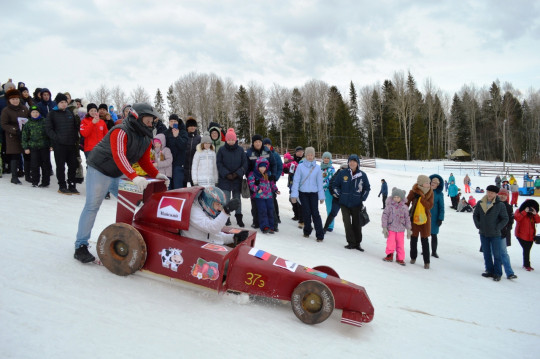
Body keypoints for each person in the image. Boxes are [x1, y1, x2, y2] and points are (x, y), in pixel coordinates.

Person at [73, 103, 170, 263]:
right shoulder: (120, 131)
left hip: (118, 173)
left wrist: (157, 174)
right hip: (100, 169)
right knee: (92, 206)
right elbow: (120, 156)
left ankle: (133, 238)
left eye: (152, 121)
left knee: (133, 202)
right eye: (148, 120)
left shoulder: (146, 137)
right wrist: (134, 177)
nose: (151, 123)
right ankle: (80, 246)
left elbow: (144, 161)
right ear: (137, 117)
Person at [181, 186, 247, 246]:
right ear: (208, 201)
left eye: (221, 205)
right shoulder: (193, 211)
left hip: (204, 245)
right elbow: (212, 228)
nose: (219, 208)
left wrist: (233, 237)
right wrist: (226, 211)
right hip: (193, 247)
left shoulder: (205, 211)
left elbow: (214, 235)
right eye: (218, 204)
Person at [332, 154, 371, 250]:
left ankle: (357, 243)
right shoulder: (343, 173)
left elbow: (367, 188)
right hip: (344, 203)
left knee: (357, 223)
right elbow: (335, 185)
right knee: (347, 223)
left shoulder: (362, 175)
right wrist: (339, 194)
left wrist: (363, 197)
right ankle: (350, 242)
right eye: (350, 161)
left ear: (358, 163)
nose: (352, 163)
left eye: (354, 161)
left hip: (356, 203)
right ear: (348, 162)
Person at [45, 93, 81, 194]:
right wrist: (57, 138)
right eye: (62, 102)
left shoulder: (69, 113)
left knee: (73, 165)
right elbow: (48, 129)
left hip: (71, 144)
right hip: (59, 145)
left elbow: (75, 127)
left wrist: (75, 138)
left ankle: (72, 185)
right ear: (57, 103)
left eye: (65, 102)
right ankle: (62, 186)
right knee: (60, 166)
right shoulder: (52, 113)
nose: (64, 104)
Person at [472, 185, 508, 281]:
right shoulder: (481, 203)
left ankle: (497, 273)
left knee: (497, 254)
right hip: (483, 233)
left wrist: (498, 227)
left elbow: (505, 218)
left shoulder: (500, 205)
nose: (489, 194)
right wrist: (478, 225)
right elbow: (475, 215)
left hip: (495, 234)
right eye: (488, 192)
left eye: (492, 193)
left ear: (496, 194)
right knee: (486, 253)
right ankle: (489, 270)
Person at [291, 146, 325, 242]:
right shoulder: (300, 167)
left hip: (314, 194)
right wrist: (294, 195)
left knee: (315, 213)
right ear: (305, 155)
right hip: (303, 193)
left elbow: (319, 183)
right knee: (306, 212)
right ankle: (307, 231)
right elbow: (296, 181)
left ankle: (320, 234)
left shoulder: (317, 168)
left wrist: (321, 196)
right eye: (308, 155)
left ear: (314, 156)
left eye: (312, 155)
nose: (310, 157)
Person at [216, 128, 248, 227]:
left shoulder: (240, 150)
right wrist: (226, 174)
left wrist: (237, 173)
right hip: (225, 179)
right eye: (229, 140)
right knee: (225, 199)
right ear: (226, 140)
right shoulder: (221, 150)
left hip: (236, 179)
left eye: (232, 140)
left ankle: (239, 217)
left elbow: (245, 164)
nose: (230, 141)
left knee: (237, 199)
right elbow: (219, 163)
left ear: (235, 140)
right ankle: (226, 217)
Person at [245, 134, 276, 229]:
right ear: (253, 143)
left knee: (271, 204)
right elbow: (247, 167)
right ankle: (257, 222)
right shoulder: (249, 153)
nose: (258, 143)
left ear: (261, 142)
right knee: (255, 203)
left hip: (267, 179)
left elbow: (274, 164)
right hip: (255, 181)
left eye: (259, 141)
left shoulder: (267, 151)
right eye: (256, 142)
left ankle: (273, 224)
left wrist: (273, 176)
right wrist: (252, 180)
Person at [406, 175, 434, 269]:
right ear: (421, 183)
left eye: (429, 183)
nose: (429, 184)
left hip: (425, 220)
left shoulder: (430, 192)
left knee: (425, 240)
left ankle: (427, 262)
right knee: (414, 239)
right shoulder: (413, 191)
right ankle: (413, 257)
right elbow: (406, 202)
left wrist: (421, 199)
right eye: (427, 183)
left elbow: (430, 206)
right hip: (414, 218)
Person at [1, 89, 28, 184]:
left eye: (17, 98)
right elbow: (4, 124)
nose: (15, 101)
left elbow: (29, 119)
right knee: (15, 156)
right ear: (9, 100)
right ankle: (14, 176)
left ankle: (28, 175)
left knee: (27, 154)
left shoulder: (24, 108)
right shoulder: (6, 110)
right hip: (12, 136)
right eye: (13, 99)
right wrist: (14, 130)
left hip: (25, 134)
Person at [21, 105, 51, 187]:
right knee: (34, 165)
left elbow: (49, 134)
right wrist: (26, 147)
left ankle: (45, 182)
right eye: (33, 112)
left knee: (45, 165)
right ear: (30, 113)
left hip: (44, 146)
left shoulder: (44, 121)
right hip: (33, 147)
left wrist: (51, 145)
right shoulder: (28, 124)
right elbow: (24, 137)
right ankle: (35, 181)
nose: (35, 114)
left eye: (37, 112)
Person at [248, 158, 279, 234]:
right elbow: (251, 184)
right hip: (259, 196)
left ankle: (271, 226)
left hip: (268, 195)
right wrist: (257, 188)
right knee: (263, 210)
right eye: (261, 167)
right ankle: (264, 226)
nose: (262, 169)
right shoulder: (253, 174)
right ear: (257, 166)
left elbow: (272, 183)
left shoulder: (268, 174)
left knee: (270, 210)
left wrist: (275, 189)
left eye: (264, 167)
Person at [381, 187, 411, 265]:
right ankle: (389, 255)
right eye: (394, 197)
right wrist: (384, 227)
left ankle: (400, 258)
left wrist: (408, 229)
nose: (396, 199)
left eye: (398, 197)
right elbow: (384, 216)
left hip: (401, 229)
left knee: (400, 244)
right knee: (390, 243)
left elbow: (407, 218)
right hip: (391, 228)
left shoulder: (404, 208)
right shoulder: (389, 206)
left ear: (401, 198)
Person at [514, 199, 540, 271]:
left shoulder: (532, 215)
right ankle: (527, 265)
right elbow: (517, 218)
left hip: (530, 236)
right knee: (526, 249)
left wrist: (535, 214)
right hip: (521, 235)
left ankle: (526, 264)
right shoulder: (519, 211)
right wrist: (525, 211)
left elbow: (538, 221)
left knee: (527, 250)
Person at [263, 138, 283, 228]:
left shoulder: (275, 155)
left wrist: (275, 177)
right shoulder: (262, 154)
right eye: (265, 144)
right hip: (263, 180)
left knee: (273, 199)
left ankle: (276, 217)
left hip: (272, 180)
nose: (267, 146)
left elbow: (279, 167)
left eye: (268, 145)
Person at [497, 188, 517, 279]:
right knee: (495, 252)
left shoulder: (509, 207)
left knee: (504, 253)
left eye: (504, 195)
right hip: (493, 232)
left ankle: (509, 273)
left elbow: (511, 220)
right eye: (501, 194)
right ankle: (495, 270)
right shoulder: (493, 205)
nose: (502, 196)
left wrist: (507, 229)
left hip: (503, 233)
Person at [164, 114, 188, 189]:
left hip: (178, 164)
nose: (173, 123)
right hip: (168, 165)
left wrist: (177, 136)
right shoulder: (166, 133)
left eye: (175, 121)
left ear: (178, 122)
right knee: (168, 187)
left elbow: (183, 146)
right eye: (171, 121)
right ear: (168, 122)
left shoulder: (183, 132)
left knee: (178, 187)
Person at [323, 163, 347, 233]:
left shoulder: (350, 176)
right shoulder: (337, 174)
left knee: (346, 216)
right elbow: (331, 184)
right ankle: (325, 228)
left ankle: (349, 232)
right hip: (337, 198)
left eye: (345, 169)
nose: (343, 170)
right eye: (342, 169)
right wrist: (333, 193)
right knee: (333, 213)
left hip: (346, 199)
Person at [429, 174, 445, 258]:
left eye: (435, 182)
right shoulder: (425, 191)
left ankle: (434, 251)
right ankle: (425, 249)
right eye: (432, 181)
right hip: (424, 216)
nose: (433, 183)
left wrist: (440, 218)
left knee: (434, 234)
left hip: (434, 218)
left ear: (438, 184)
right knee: (424, 234)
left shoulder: (439, 194)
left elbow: (442, 207)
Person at [183, 116, 200, 187]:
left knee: (195, 189)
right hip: (184, 168)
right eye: (190, 126)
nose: (192, 127)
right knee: (183, 189)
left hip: (195, 169)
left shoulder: (199, 138)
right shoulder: (184, 136)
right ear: (187, 127)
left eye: (194, 126)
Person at [320, 152, 336, 231]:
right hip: (318, 190)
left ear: (330, 159)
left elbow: (332, 180)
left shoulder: (331, 169)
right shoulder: (319, 168)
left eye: (328, 158)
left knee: (329, 208)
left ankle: (330, 225)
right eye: (325, 158)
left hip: (328, 191)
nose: (326, 159)